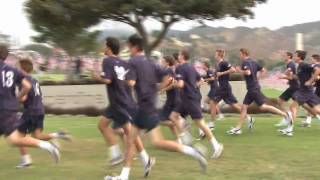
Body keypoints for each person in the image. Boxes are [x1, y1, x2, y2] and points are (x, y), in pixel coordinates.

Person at [105, 35, 207, 180]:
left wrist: (123, 80)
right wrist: (159, 88)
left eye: (129, 46)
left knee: (157, 142)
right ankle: (124, 176)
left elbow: (132, 82)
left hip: (144, 107)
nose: (128, 49)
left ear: (134, 47)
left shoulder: (133, 62)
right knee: (131, 140)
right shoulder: (150, 62)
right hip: (145, 106)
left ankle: (193, 152)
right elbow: (169, 77)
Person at [92, 37, 154, 173]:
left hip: (120, 103)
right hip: (120, 101)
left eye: (104, 45)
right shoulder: (124, 62)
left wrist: (97, 77)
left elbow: (108, 80)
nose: (103, 48)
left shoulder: (107, 61)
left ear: (109, 48)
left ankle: (123, 158)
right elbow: (130, 82)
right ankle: (139, 158)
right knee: (102, 125)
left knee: (129, 133)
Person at [0, 44, 60, 163]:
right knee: (15, 140)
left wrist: (18, 98)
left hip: (4, 110)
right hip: (10, 109)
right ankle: (47, 147)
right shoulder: (12, 70)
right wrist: (17, 98)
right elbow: (27, 86)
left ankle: (45, 148)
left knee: (17, 139)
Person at [16, 58, 72, 169]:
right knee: (37, 136)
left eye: (17, 67)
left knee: (19, 137)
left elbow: (24, 98)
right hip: (40, 110)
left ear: (22, 69)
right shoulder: (34, 80)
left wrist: (14, 98)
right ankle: (58, 135)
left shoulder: (23, 80)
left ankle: (26, 161)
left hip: (31, 111)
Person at [170, 50, 224, 158]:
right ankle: (186, 137)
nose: (178, 56)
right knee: (173, 116)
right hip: (187, 98)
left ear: (182, 57)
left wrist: (174, 84)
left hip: (189, 99)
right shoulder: (191, 68)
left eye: (179, 55)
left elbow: (180, 84)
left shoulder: (180, 68)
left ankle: (216, 145)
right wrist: (193, 87)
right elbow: (200, 81)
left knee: (201, 124)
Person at [227, 48, 292, 135]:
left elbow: (248, 72)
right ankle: (238, 128)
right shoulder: (254, 62)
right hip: (253, 88)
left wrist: (239, 71)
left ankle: (286, 115)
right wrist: (258, 78)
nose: (240, 56)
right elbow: (263, 70)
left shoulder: (245, 63)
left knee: (262, 107)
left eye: (240, 54)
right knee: (245, 107)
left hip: (253, 89)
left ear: (244, 54)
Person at [210, 50, 253, 131]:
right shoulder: (218, 64)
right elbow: (217, 75)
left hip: (224, 88)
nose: (214, 55)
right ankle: (249, 118)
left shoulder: (224, 63)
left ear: (219, 55)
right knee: (235, 106)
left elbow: (233, 70)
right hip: (224, 88)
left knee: (212, 103)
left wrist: (222, 73)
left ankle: (212, 125)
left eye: (215, 54)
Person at [279, 51, 320, 136]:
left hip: (305, 91)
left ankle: (289, 130)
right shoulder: (299, 66)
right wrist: (286, 76)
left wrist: (310, 81)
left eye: (296, 56)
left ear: (299, 57)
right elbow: (297, 77)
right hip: (306, 91)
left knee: (293, 107)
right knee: (316, 110)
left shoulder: (304, 65)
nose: (294, 57)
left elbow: (317, 70)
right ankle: (289, 129)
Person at [158, 56, 181, 142]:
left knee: (161, 120)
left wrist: (162, 89)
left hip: (172, 99)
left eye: (163, 61)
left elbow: (169, 80)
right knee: (169, 119)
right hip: (174, 97)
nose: (161, 63)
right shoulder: (171, 70)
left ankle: (181, 124)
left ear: (167, 63)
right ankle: (179, 139)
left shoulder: (168, 70)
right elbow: (172, 82)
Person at [275, 52, 299, 127]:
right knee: (280, 101)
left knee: (292, 106)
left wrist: (282, 77)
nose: (283, 56)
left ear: (289, 56)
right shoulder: (289, 64)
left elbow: (291, 77)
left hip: (295, 88)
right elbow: (291, 76)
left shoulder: (291, 64)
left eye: (284, 55)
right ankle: (287, 119)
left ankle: (289, 123)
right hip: (293, 87)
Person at [300, 54, 320, 127]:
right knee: (311, 104)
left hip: (318, 88)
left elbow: (317, 76)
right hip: (317, 88)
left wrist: (311, 81)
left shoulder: (316, 66)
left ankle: (308, 121)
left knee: (311, 104)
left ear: (315, 59)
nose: (310, 60)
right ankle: (308, 122)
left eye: (311, 59)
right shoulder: (315, 66)